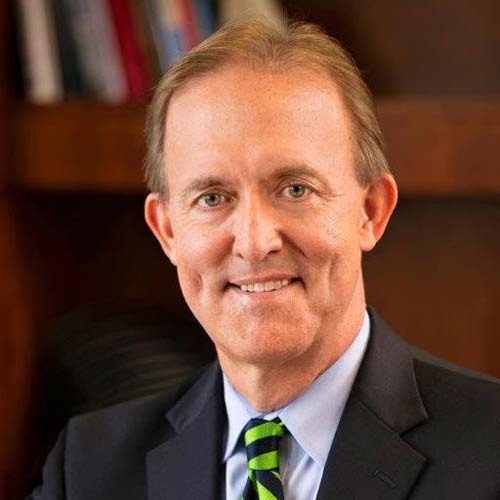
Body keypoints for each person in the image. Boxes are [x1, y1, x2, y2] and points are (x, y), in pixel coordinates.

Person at [30, 18, 500, 500]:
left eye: (295, 189)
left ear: (370, 211)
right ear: (168, 230)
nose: (254, 243)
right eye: (212, 198)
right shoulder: (89, 467)